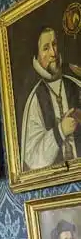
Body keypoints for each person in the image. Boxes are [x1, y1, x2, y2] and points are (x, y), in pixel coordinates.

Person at [20, 26, 81, 171]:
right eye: (46, 48)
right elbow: (33, 159)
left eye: (54, 45)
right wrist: (60, 131)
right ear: (36, 56)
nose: (53, 53)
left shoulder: (75, 84)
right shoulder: (34, 97)